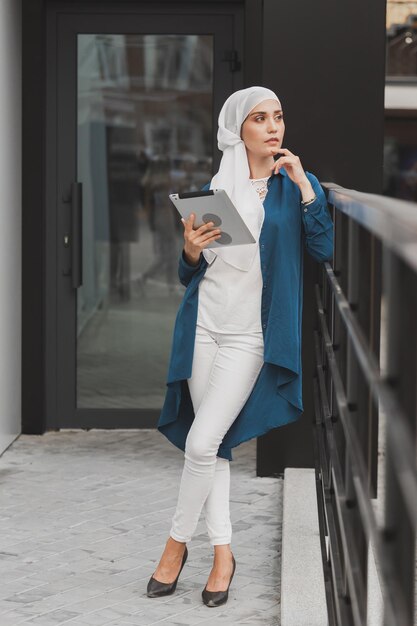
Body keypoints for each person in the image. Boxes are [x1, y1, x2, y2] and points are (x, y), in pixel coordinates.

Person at [146, 86, 334, 607]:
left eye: (278, 116)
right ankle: (223, 555)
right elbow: (193, 272)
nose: (273, 127)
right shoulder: (215, 189)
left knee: (202, 443)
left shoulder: (296, 184)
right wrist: (188, 250)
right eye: (259, 119)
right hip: (204, 324)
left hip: (251, 334)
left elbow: (323, 247)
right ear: (238, 131)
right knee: (214, 447)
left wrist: (303, 187)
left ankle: (175, 544)